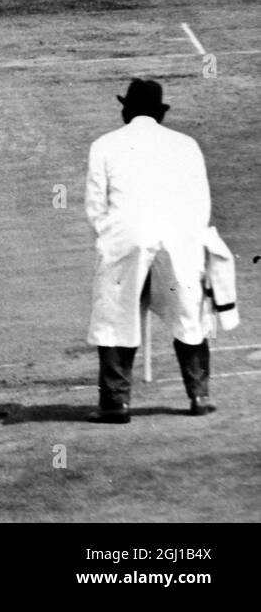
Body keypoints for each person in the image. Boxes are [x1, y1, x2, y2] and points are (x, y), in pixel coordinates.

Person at [84, 79, 237, 423]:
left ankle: (115, 403)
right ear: (159, 114)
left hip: (126, 235)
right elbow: (201, 203)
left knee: (115, 316)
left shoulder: (104, 145)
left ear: (127, 110)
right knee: (188, 313)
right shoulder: (186, 145)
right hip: (178, 235)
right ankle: (199, 395)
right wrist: (189, 240)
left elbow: (95, 207)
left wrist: (110, 239)